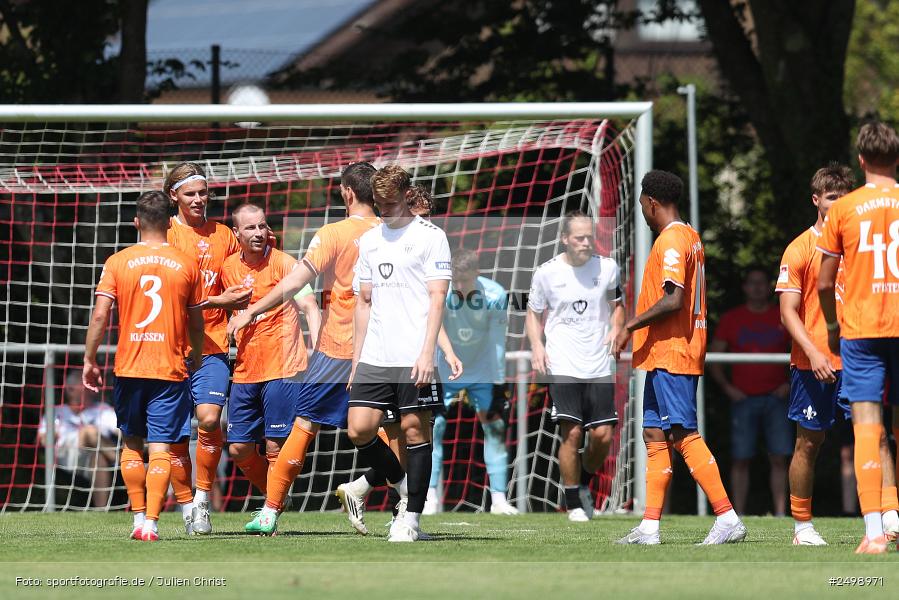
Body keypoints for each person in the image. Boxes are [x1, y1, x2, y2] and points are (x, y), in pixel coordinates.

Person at [227, 162, 382, 535]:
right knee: (399, 431)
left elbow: (294, 282)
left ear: (347, 192)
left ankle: (270, 511)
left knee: (304, 425)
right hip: (386, 347)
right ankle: (403, 514)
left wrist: (250, 311)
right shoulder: (395, 231)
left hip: (338, 345)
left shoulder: (332, 233)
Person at [613, 170, 745, 545]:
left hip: (675, 349)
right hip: (662, 352)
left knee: (683, 432)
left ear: (652, 202)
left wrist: (629, 325)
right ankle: (650, 527)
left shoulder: (671, 241)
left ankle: (727, 516)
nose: (641, 210)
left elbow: (673, 300)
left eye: (641, 203)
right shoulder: (690, 236)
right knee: (654, 433)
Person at [336, 184, 462, 535]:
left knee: (411, 434)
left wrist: (442, 352)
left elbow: (429, 305)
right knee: (365, 430)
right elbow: (365, 302)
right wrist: (356, 359)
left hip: (414, 356)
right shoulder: (375, 240)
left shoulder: (430, 239)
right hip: (380, 357)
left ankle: (405, 517)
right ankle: (386, 492)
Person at [83, 190, 205, 541]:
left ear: (136, 222)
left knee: (131, 444)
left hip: (129, 367)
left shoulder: (117, 262)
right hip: (168, 368)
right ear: (170, 222)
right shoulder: (186, 263)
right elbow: (196, 323)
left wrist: (89, 359)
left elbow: (100, 316)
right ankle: (152, 523)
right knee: (162, 448)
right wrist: (195, 354)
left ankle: (137, 520)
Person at [817, 121, 899, 554]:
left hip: (863, 330)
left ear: (862, 160)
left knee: (867, 428)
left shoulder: (845, 210)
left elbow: (826, 283)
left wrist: (832, 327)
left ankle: (874, 535)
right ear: (897, 158)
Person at [165, 162, 248, 535]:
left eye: (203, 193)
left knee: (211, 420)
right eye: (190, 194)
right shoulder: (163, 235)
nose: (199, 200)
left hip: (213, 346)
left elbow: (242, 278)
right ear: (174, 197)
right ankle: (184, 503)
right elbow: (173, 300)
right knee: (173, 432)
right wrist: (219, 301)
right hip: (169, 348)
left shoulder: (224, 235)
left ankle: (201, 501)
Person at [220, 203, 315, 524]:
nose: (258, 233)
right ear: (237, 234)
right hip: (246, 369)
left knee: (275, 445)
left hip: (285, 368)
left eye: (262, 226)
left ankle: (269, 514)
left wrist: (317, 344)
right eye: (250, 228)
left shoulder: (287, 264)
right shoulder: (228, 268)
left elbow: (310, 305)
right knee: (238, 449)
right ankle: (276, 497)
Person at [526, 211, 624, 522]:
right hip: (563, 361)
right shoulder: (546, 273)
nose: (585, 242)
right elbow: (533, 313)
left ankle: (582, 481)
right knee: (572, 433)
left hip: (598, 363)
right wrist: (537, 345)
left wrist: (616, 328)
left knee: (603, 436)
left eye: (589, 237)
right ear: (565, 239)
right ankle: (574, 504)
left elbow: (617, 306)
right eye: (578, 237)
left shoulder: (607, 268)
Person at [425, 247, 518, 516]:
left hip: (481, 369)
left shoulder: (495, 295)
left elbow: (497, 340)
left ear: (477, 274)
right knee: (434, 428)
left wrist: (498, 380)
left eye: (465, 280)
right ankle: (430, 496)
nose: (460, 286)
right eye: (457, 280)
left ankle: (499, 499)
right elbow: (432, 330)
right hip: (446, 366)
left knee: (494, 428)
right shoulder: (441, 292)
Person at [709, 266, 792, 516]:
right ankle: (738, 514)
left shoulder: (783, 316)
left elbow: (801, 350)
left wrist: (789, 384)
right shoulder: (732, 319)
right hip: (742, 399)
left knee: (779, 458)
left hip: (776, 398)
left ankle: (780, 514)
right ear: (744, 288)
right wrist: (728, 388)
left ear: (769, 287)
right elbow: (714, 356)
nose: (756, 288)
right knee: (740, 459)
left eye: (761, 282)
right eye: (751, 282)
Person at [38, 371, 118, 508]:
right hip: (67, 457)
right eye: (86, 384)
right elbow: (42, 440)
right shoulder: (56, 412)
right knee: (89, 431)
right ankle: (125, 462)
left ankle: (102, 513)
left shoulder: (102, 409)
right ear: (70, 389)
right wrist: (50, 435)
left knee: (99, 459)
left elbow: (121, 428)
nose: (91, 388)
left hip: (94, 456)